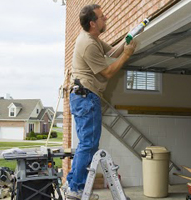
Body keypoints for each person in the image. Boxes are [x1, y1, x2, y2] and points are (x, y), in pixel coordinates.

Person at [65, 4, 137, 200]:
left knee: (86, 145)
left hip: (84, 96)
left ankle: (72, 184)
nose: (106, 19)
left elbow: (111, 53)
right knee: (88, 144)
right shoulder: (88, 44)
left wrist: (127, 39)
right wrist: (127, 55)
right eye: (102, 17)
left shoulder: (93, 39)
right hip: (86, 97)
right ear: (92, 23)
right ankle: (76, 188)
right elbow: (108, 71)